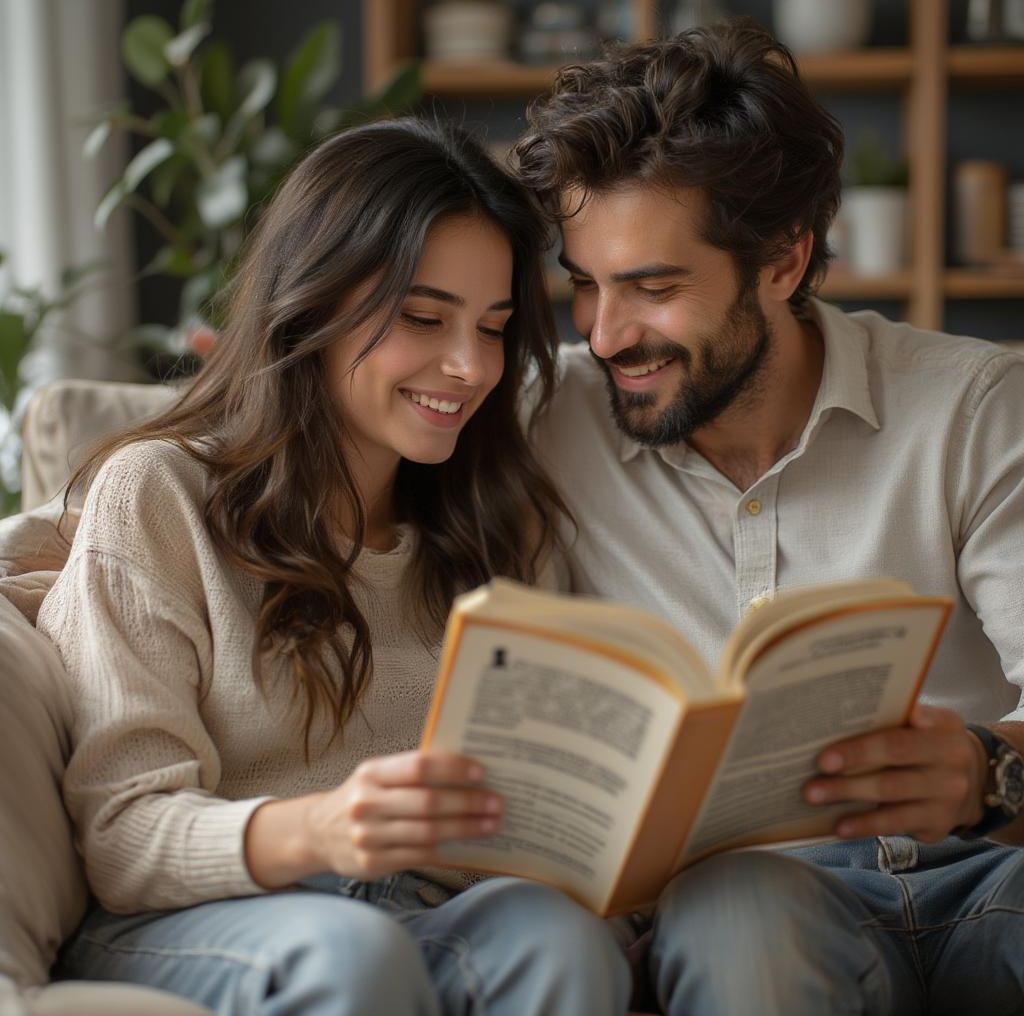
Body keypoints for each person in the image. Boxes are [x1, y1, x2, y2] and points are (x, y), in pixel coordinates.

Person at [36, 118, 632, 1016]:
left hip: (418, 914)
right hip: (205, 915)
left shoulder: (501, 526)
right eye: (424, 319)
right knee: (352, 953)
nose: (469, 367)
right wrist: (321, 828)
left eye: (495, 328)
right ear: (312, 304)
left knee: (561, 941)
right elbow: (124, 838)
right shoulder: (157, 495)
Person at [513, 18, 1024, 1016]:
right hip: (746, 899)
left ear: (783, 262)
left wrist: (983, 769)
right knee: (736, 917)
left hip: (986, 876)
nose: (607, 333)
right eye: (584, 284)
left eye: (653, 288)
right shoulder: (542, 426)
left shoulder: (976, 408)